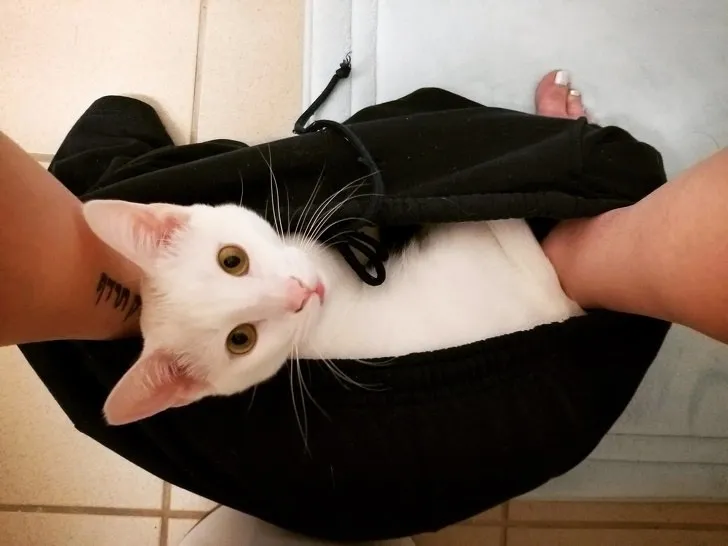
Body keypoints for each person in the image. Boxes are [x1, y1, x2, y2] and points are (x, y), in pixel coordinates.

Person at [0, 70, 726, 545]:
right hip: (523, 309)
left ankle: (579, 204)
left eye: (234, 262)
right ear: (191, 385)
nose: (294, 295)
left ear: (171, 222)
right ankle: (578, 198)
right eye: (243, 336)